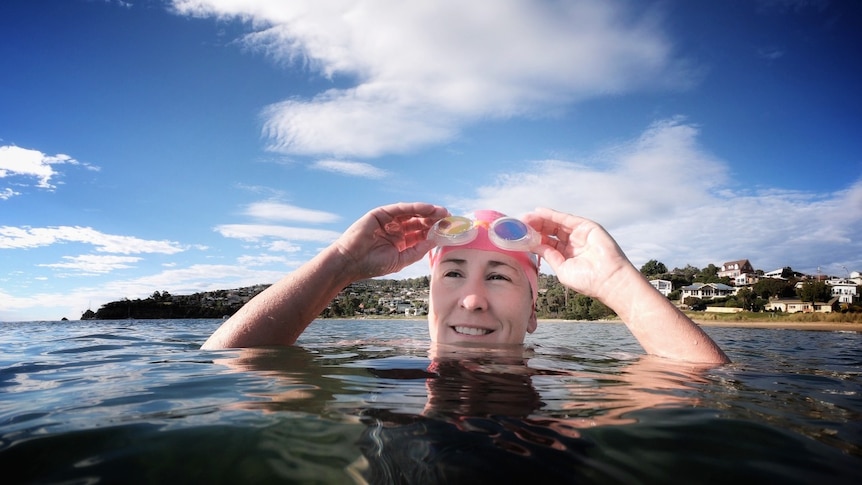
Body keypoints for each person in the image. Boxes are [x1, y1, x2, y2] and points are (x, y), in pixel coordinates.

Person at [202, 202, 729, 364]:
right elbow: (224, 367)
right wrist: (340, 263)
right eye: (452, 273)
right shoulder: (385, 389)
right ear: (427, 299)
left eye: (499, 277)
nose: (472, 300)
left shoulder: (561, 407)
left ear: (534, 313)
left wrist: (616, 281)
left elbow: (711, 390)